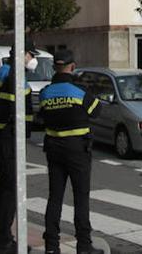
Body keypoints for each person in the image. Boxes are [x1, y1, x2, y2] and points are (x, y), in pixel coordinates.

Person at [37, 49, 100, 254]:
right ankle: (83, 245)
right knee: (81, 197)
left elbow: (41, 117)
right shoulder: (79, 91)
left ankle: (51, 247)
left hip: (54, 149)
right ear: (73, 67)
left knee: (55, 197)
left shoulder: (46, 92)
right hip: (77, 150)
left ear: (55, 67)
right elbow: (97, 111)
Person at [0, 46, 37, 254]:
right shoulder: (15, 77)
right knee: (11, 189)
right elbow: (6, 109)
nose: (33, 60)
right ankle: (3, 241)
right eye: (31, 55)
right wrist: (1, 133)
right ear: (23, 54)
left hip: (2, 136)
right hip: (9, 137)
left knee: (4, 187)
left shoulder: (0, 72)